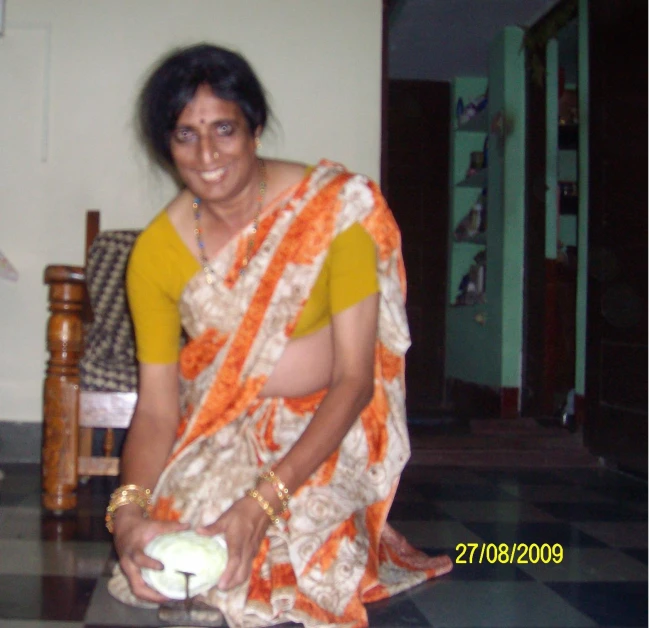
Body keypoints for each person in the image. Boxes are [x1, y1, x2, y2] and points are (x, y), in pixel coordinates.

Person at [107, 43, 452, 628]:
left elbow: (353, 381)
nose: (207, 154)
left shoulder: (333, 212)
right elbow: (159, 410)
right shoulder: (156, 254)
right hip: (222, 429)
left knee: (296, 560)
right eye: (185, 135)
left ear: (255, 128)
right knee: (178, 551)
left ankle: (350, 530)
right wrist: (128, 517)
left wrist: (264, 501)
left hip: (328, 424)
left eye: (224, 129)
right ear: (166, 144)